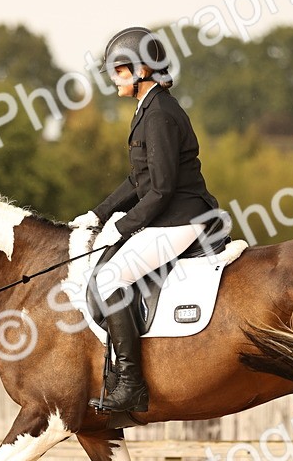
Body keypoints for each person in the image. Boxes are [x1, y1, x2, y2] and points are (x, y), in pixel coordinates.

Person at [70, 27, 221, 414]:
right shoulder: (150, 109)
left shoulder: (159, 115)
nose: (113, 79)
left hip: (182, 218)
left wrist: (122, 227)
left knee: (110, 278)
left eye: (119, 71)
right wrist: (99, 213)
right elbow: (140, 180)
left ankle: (131, 384)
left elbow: (162, 189)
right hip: (169, 215)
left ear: (141, 71)